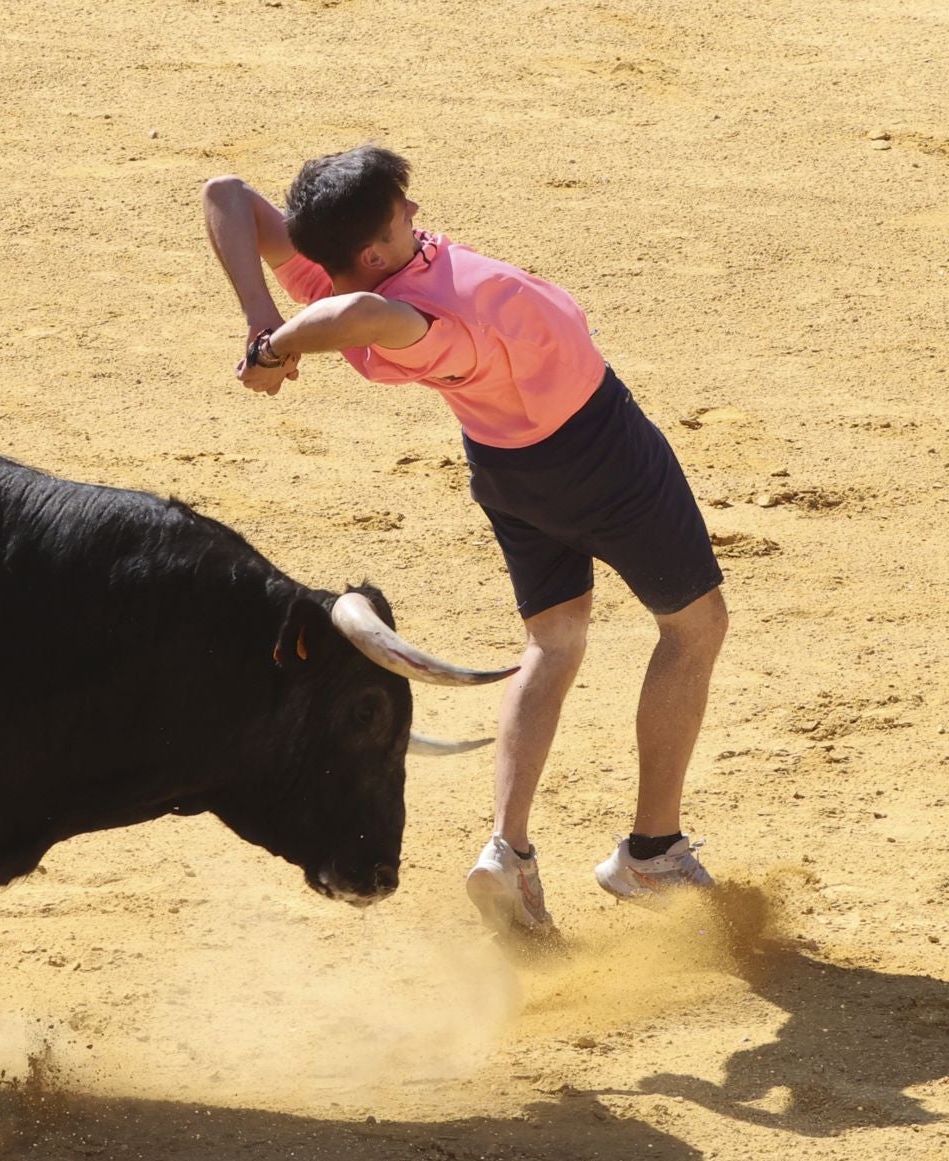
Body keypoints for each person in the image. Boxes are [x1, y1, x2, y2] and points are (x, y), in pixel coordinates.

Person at [201, 145, 727, 940]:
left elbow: (228, 195)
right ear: (374, 251)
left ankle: (507, 852)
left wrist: (260, 318)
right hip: (599, 452)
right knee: (696, 628)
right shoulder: (403, 321)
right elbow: (359, 318)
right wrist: (277, 349)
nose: (416, 213)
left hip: (509, 469)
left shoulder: (330, 277)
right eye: (400, 215)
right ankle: (652, 851)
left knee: (553, 642)